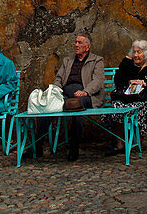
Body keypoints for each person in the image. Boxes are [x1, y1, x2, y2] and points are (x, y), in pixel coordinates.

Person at [42, 32, 104, 161]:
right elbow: (59, 78)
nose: (76, 45)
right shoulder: (68, 60)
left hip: (86, 96)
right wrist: (56, 91)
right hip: (66, 94)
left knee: (76, 106)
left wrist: (86, 91)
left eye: (79, 43)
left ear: (87, 47)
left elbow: (98, 81)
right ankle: (36, 146)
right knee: (47, 106)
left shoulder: (97, 60)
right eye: (75, 42)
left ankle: (74, 147)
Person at [106, 39, 147, 155]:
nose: (136, 55)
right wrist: (129, 82)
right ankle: (120, 142)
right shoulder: (127, 64)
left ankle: (135, 140)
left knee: (136, 108)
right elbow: (118, 79)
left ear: (146, 53)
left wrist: (144, 83)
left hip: (141, 100)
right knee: (116, 106)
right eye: (134, 52)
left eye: (139, 52)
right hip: (125, 99)